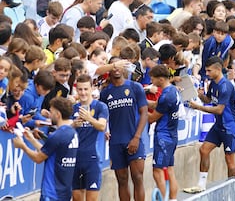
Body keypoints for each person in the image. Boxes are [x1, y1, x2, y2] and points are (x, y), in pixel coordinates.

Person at [185, 56, 235, 193]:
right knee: (204, 150)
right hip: (219, 126)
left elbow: (219, 109)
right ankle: (201, 185)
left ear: (217, 69)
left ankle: (232, 189)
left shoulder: (225, 86)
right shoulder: (213, 84)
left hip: (230, 127)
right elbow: (209, 99)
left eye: (209, 71)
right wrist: (198, 94)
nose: (207, 74)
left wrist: (197, 107)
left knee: (229, 159)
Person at [100, 56, 148, 201]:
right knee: (122, 180)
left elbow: (144, 112)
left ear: (124, 68)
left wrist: (136, 137)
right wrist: (104, 130)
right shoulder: (105, 93)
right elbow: (102, 116)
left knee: (138, 177)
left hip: (134, 139)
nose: (116, 69)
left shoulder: (135, 87)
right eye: (113, 66)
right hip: (115, 143)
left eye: (119, 66)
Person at [12, 97, 78, 201]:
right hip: (64, 191)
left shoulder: (58, 135)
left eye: (51, 112)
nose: (49, 115)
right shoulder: (72, 133)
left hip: (52, 192)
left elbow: (39, 158)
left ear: (58, 114)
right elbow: (49, 152)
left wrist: (22, 146)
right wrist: (31, 139)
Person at [72, 74, 108, 201]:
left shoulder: (100, 107)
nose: (83, 93)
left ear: (92, 88)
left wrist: (89, 118)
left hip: (92, 159)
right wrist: (73, 124)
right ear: (76, 89)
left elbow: (102, 126)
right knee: (76, 198)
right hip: (74, 159)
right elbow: (64, 130)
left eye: (86, 89)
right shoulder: (73, 109)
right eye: (80, 89)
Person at [148, 64, 180, 200]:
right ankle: (173, 199)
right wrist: (142, 101)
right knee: (170, 169)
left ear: (160, 79)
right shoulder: (173, 90)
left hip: (163, 136)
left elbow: (151, 118)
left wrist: (138, 110)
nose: (151, 82)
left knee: (158, 170)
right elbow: (157, 105)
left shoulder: (166, 96)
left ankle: (163, 199)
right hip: (172, 135)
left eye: (152, 79)